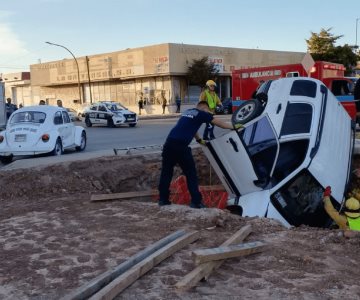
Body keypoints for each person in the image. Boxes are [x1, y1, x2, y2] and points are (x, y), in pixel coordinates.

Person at [158, 101, 243, 208]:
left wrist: (199, 140)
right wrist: (233, 126)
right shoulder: (203, 114)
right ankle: (196, 202)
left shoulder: (188, 112)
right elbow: (219, 123)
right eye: (208, 110)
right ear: (204, 108)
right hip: (181, 147)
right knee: (191, 174)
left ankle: (163, 199)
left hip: (169, 144)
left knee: (166, 173)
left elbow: (191, 127)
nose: (209, 112)